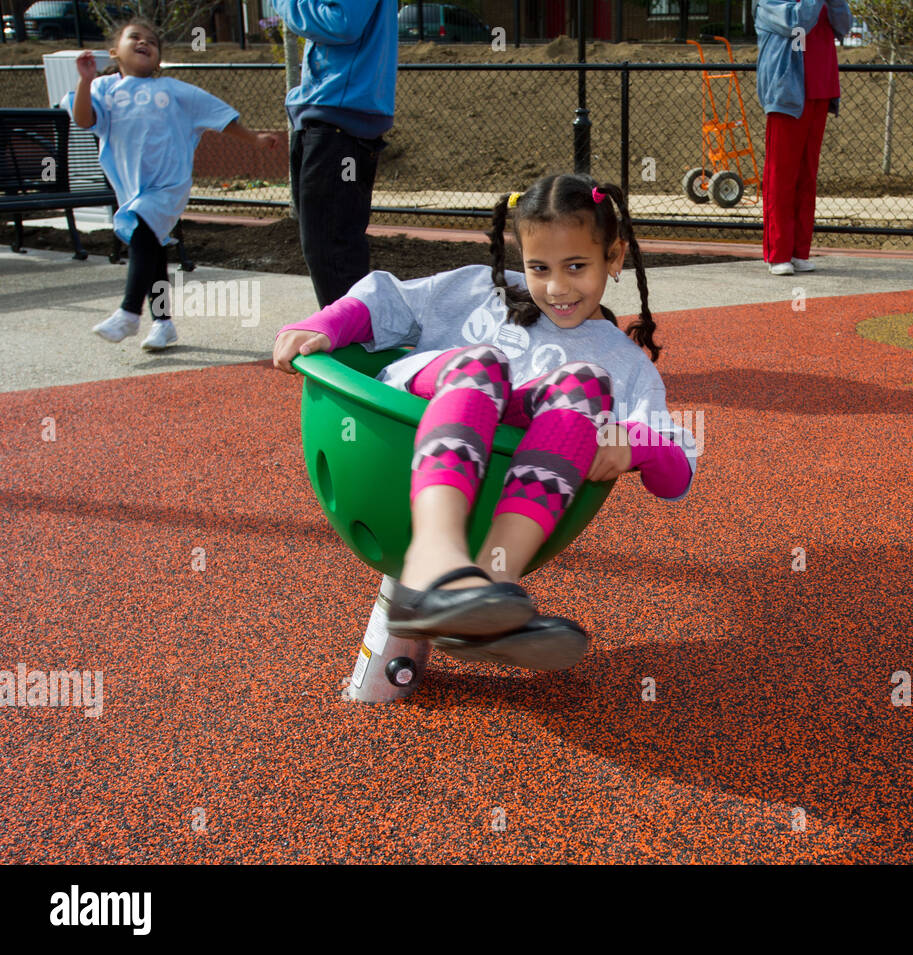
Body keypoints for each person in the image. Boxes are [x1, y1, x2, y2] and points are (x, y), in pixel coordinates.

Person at [272, 174, 698, 671]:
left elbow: (677, 465)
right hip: (396, 437)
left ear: (616, 258)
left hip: (498, 483)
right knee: (485, 362)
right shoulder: (481, 289)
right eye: (539, 268)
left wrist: (634, 447)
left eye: (576, 266)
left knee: (586, 382)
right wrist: (322, 324)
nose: (557, 287)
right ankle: (436, 557)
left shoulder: (626, 365)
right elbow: (389, 300)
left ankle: (489, 586)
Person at [64, 18, 276, 350]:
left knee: (145, 238)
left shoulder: (173, 90)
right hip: (133, 189)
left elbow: (220, 116)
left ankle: (129, 313)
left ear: (158, 59)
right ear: (113, 52)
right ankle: (163, 323)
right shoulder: (103, 89)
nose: (143, 42)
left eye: (152, 41)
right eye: (134, 37)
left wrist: (255, 139)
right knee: (151, 250)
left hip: (167, 186)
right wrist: (85, 80)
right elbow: (84, 120)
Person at [270, 0, 398, 309]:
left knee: (330, 245)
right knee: (327, 243)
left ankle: (350, 340)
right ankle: (349, 334)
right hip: (333, 117)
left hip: (339, 120)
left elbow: (342, 23)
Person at [754, 0, 852, 275]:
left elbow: (844, 26)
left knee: (807, 177)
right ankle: (778, 253)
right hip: (787, 94)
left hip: (820, 89)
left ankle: (799, 251)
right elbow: (798, 22)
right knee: (781, 177)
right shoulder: (769, 3)